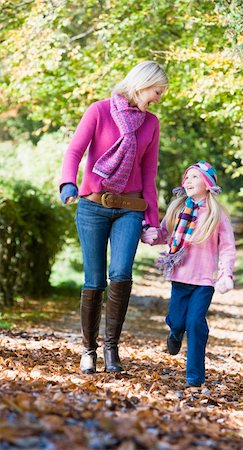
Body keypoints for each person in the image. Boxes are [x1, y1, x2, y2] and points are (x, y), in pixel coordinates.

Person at [60, 61, 168, 374]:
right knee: (94, 280)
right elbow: (74, 152)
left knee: (121, 274)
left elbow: (149, 173)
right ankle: (88, 350)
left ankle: (111, 349)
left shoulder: (151, 123)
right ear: (142, 84)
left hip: (130, 209)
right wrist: (69, 183)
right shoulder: (99, 111)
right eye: (157, 91)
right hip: (92, 206)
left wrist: (151, 218)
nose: (159, 98)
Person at [141, 160, 236, 387]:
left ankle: (194, 376)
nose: (188, 181)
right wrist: (152, 236)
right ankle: (174, 333)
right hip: (179, 276)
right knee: (177, 320)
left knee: (195, 323)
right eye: (187, 177)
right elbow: (165, 233)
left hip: (203, 281)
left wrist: (225, 274)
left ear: (207, 183)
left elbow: (227, 247)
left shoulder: (217, 214)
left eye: (195, 177)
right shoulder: (178, 208)